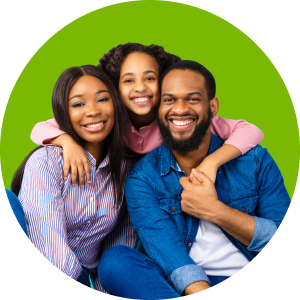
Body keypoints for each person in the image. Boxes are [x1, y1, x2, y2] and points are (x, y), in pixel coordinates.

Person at [96, 60, 291, 299]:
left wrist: (215, 211)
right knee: (116, 262)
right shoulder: (143, 178)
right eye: (169, 100)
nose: (179, 109)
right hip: (182, 284)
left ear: (213, 107)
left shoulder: (255, 161)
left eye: (192, 99)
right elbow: (169, 253)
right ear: (158, 109)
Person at [29, 43, 264, 187]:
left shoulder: (179, 118)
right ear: (115, 87)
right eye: (128, 80)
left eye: (150, 78)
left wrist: (213, 162)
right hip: (121, 191)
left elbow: (251, 130)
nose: (140, 87)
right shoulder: (109, 117)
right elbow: (39, 128)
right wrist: (67, 142)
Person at [9, 65, 137, 293]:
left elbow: (119, 247)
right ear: (63, 113)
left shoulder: (128, 169)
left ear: (116, 105)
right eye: (78, 104)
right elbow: (47, 244)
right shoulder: (46, 162)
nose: (93, 111)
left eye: (102, 99)